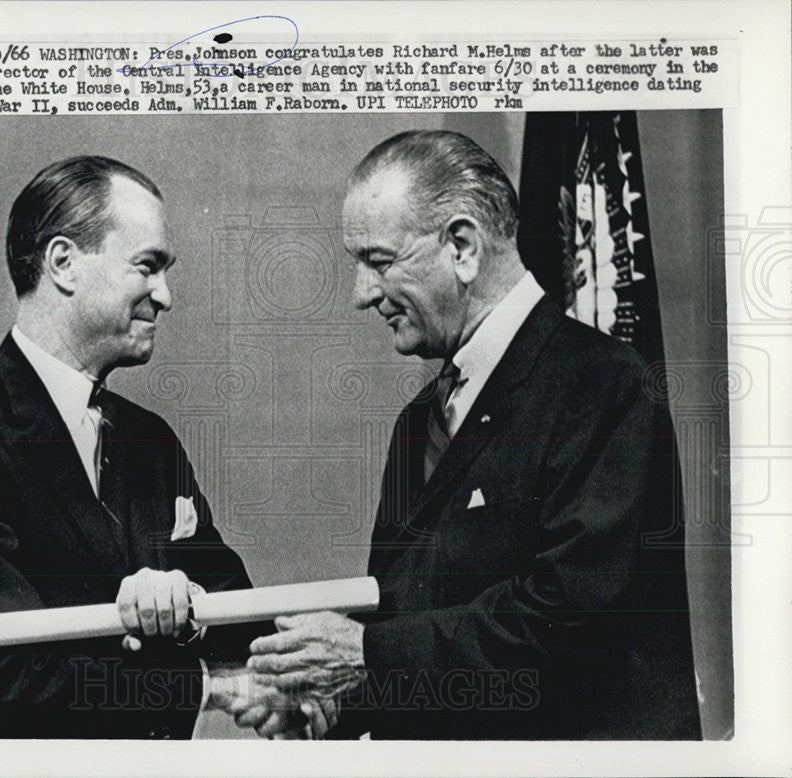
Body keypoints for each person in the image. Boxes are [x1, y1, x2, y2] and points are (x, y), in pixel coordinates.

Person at [247, 130, 702, 739]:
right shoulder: (419, 422)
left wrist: (364, 659)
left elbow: (570, 623)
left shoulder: (605, 385)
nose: (361, 296)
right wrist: (328, 702)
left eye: (379, 262)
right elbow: (411, 617)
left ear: (462, 245)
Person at [0, 156, 326, 739]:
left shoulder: (151, 441)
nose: (165, 295)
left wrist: (191, 605)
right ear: (63, 263)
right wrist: (207, 686)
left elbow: (233, 611)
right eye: (148, 267)